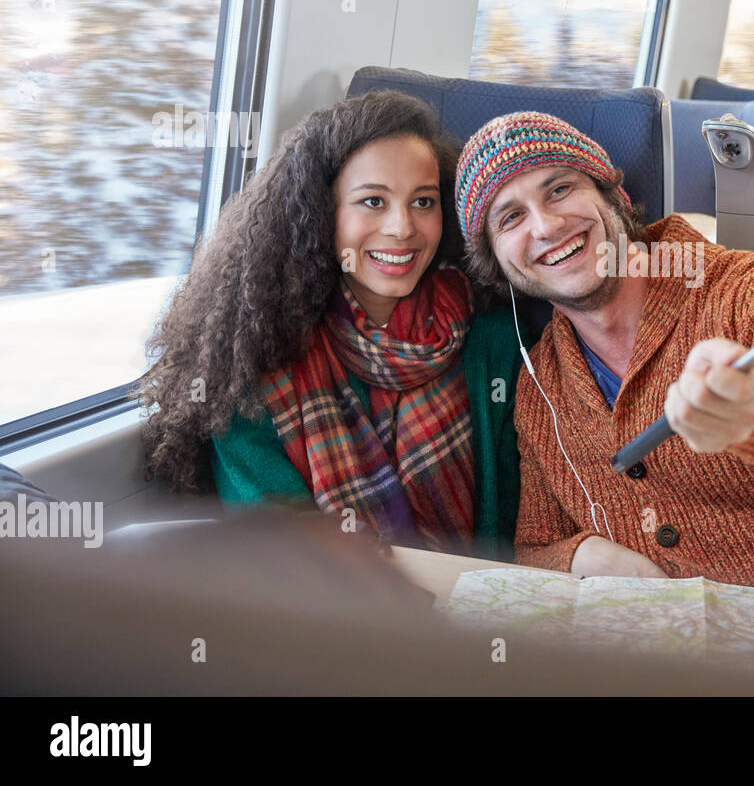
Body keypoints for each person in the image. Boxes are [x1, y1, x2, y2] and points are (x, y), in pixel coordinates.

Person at [454, 111, 754, 604]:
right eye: (511, 217)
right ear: (496, 263)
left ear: (614, 199)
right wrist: (582, 556)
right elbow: (536, 548)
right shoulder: (542, 383)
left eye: (560, 189)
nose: (546, 225)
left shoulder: (753, 292)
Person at [138, 91, 524, 558]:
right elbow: (283, 556)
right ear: (323, 215)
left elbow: (517, 535)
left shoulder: (498, 340)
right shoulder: (252, 365)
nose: (403, 227)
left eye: (423, 201)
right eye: (373, 201)